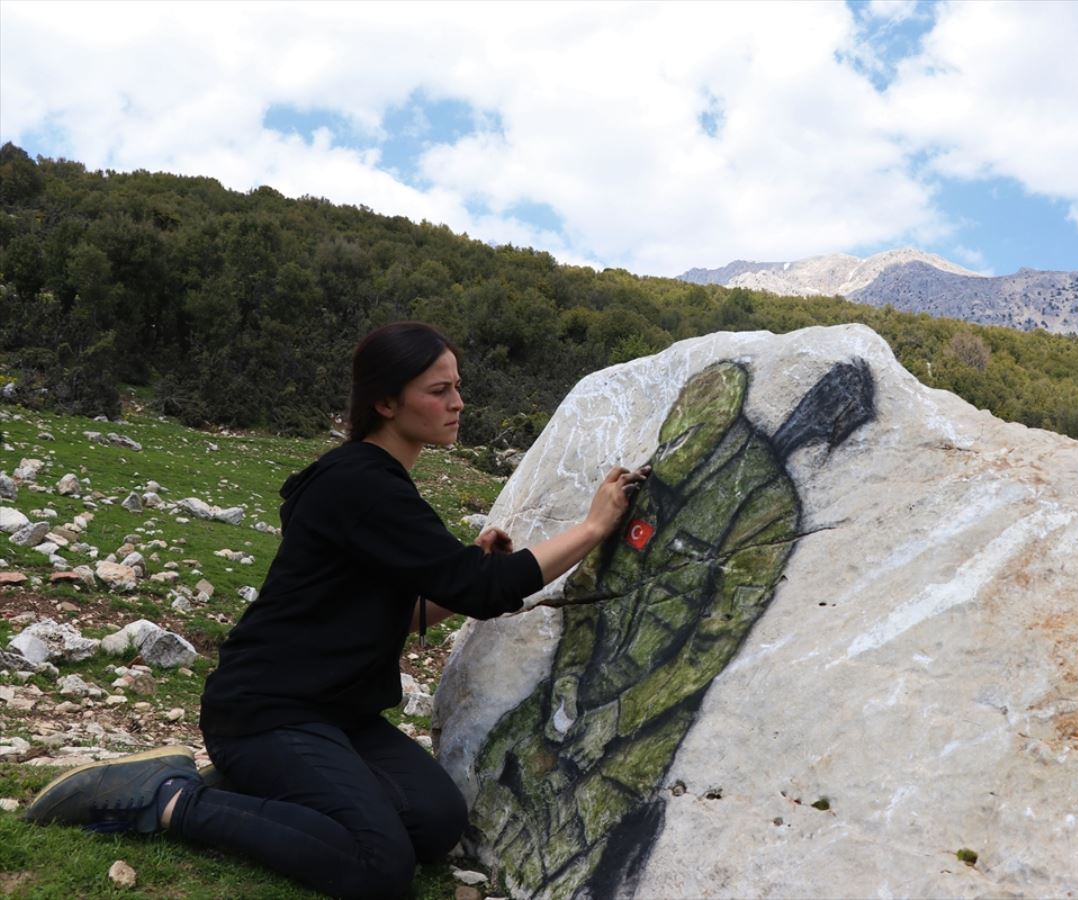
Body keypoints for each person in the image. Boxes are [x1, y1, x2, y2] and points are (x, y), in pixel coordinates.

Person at [25, 321, 648, 898]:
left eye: (458, 386)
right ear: (385, 403)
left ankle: (276, 790)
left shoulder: (375, 483)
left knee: (434, 825)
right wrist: (593, 527)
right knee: (379, 867)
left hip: (337, 715)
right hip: (267, 712)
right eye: (438, 390)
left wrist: (455, 579)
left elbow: (391, 612)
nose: (458, 402)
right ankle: (163, 797)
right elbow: (486, 591)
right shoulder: (363, 484)